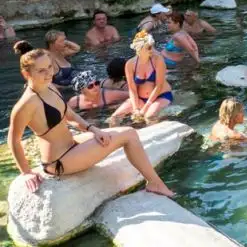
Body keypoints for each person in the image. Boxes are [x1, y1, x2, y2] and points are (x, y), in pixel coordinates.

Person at [9, 48, 173, 196]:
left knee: (126, 131)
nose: (48, 73)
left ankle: (154, 182)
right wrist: (26, 172)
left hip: (73, 144)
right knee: (128, 134)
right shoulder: (26, 104)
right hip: (59, 161)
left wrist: (94, 130)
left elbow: (70, 115)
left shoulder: (50, 87)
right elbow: (14, 140)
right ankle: (155, 184)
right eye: (41, 70)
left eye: (50, 67)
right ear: (26, 74)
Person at [110, 31, 173, 123]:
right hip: (140, 99)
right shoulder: (130, 64)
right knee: (114, 117)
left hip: (160, 96)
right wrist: (136, 109)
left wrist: (145, 108)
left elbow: (159, 85)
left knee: (149, 116)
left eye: (153, 46)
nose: (152, 50)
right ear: (140, 49)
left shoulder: (158, 59)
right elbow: (132, 89)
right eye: (149, 47)